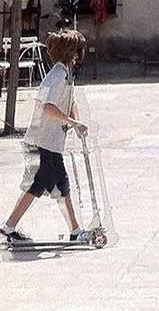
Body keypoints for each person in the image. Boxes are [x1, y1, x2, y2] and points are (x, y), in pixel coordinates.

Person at [2, 27, 94, 247]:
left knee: (43, 186)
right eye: (77, 50)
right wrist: (71, 122)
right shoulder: (57, 76)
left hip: (49, 143)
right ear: (71, 53)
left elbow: (70, 101)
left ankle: (9, 227)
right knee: (54, 185)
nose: (81, 55)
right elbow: (48, 107)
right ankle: (73, 230)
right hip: (42, 143)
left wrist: (76, 121)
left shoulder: (66, 75)